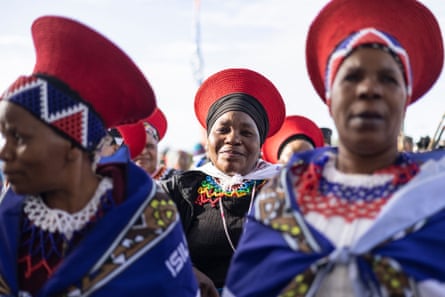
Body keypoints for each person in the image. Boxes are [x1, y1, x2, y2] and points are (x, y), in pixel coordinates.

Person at [223, 0, 445, 296]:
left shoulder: (437, 193)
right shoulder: (283, 193)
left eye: (388, 79)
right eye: (352, 77)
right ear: (330, 98)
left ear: (405, 99)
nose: (368, 89)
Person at [0, 16, 198, 296]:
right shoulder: (10, 216)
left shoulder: (148, 217)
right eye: (3, 135)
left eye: (19, 137)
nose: (3, 152)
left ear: (71, 146)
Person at [160, 68, 286, 296]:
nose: (233, 139)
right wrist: (187, 271)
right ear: (208, 140)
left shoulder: (287, 187)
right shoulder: (182, 187)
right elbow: (145, 236)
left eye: (246, 132)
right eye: (223, 130)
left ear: (260, 145)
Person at [117, 107, 178, 180]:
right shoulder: (113, 183)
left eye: (149, 146)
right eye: (137, 146)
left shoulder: (179, 183)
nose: (143, 151)